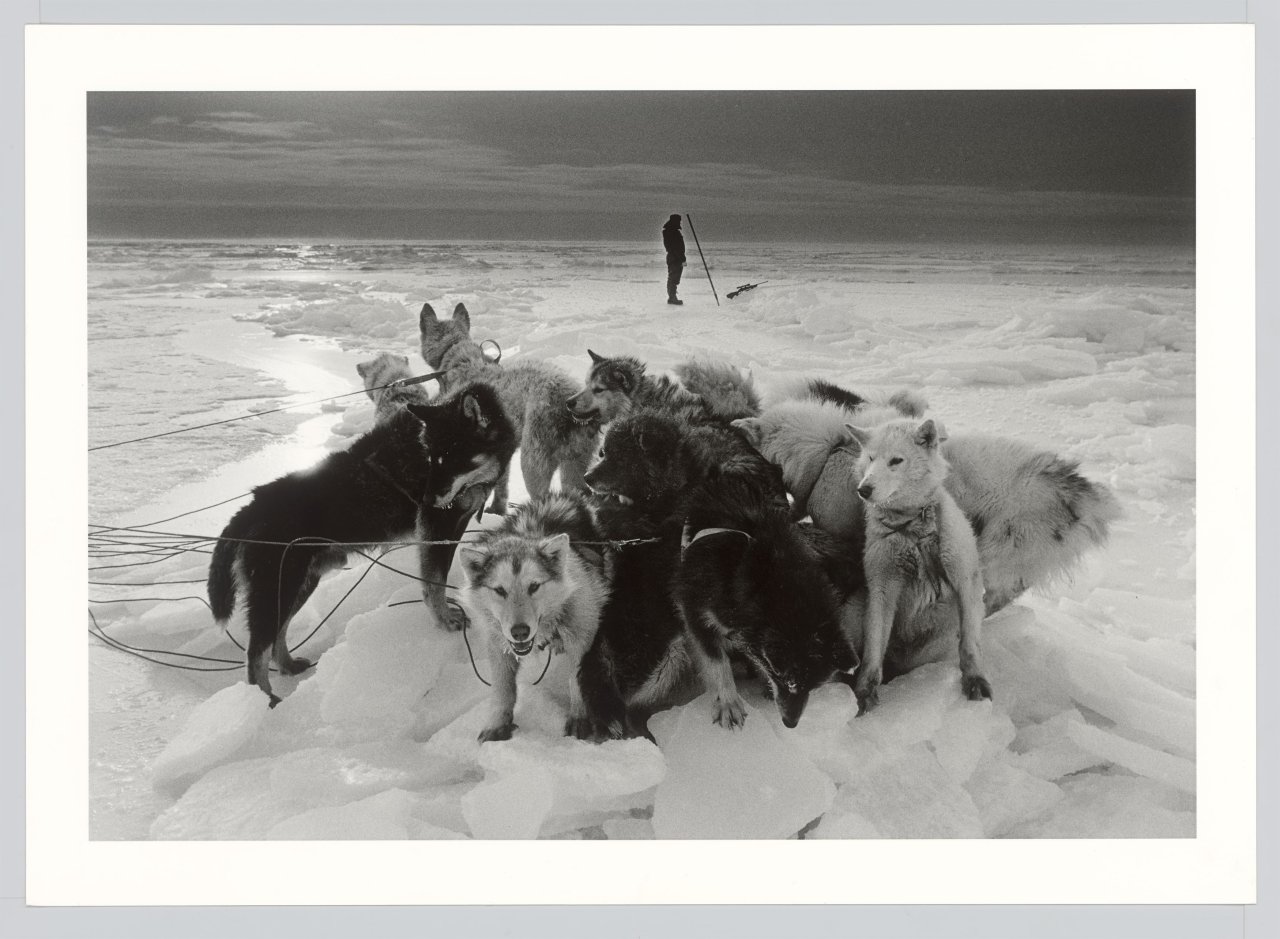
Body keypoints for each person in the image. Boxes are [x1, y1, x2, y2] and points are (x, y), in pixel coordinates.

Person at [662, 213, 685, 305]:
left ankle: (672, 297)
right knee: (673, 277)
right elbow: (675, 247)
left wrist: (682, 258)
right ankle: (672, 297)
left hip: (676, 257)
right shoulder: (671, 232)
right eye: (679, 221)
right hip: (675, 257)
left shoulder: (671, 231)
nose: (680, 222)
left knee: (674, 277)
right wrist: (682, 258)